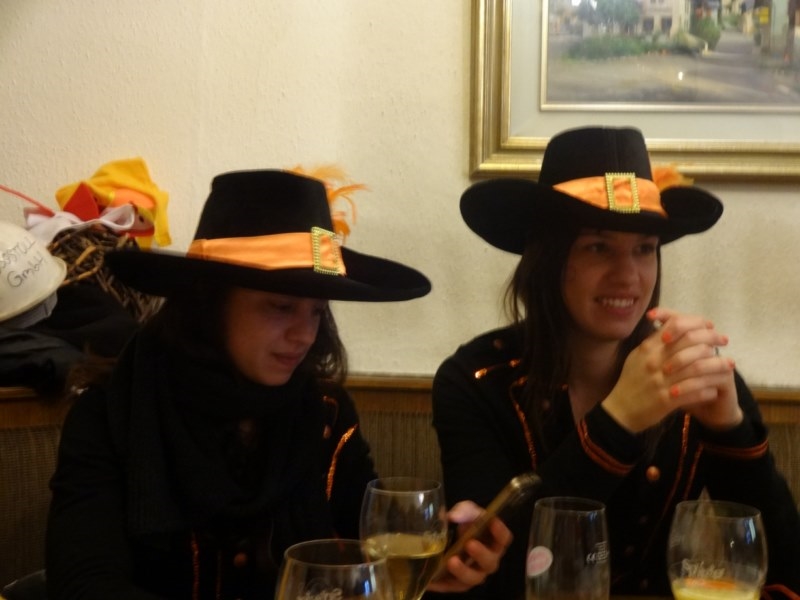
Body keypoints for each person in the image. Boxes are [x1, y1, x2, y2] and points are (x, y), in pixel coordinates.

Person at [45, 170, 510, 600]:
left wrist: (449, 552)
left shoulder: (324, 412)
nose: (305, 335)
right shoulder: (112, 413)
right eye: (282, 307)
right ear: (209, 303)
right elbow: (85, 584)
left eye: (316, 311)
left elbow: (370, 548)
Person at [431, 127, 800, 599]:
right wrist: (617, 421)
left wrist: (734, 432)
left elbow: (785, 569)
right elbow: (485, 575)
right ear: (547, 260)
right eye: (598, 247)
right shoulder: (475, 380)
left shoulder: (689, 370)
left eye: (644, 249)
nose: (628, 276)